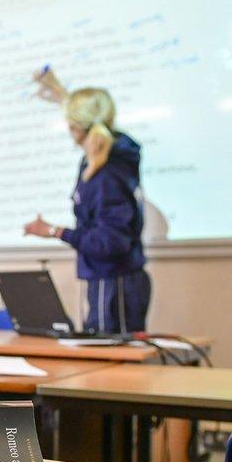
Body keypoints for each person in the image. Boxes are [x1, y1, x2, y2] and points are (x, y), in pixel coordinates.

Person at [25, 69, 151, 333]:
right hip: (107, 280)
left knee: (111, 365)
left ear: (75, 127)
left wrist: (55, 231)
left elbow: (110, 242)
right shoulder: (107, 161)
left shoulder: (106, 174)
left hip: (114, 283)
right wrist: (59, 92)